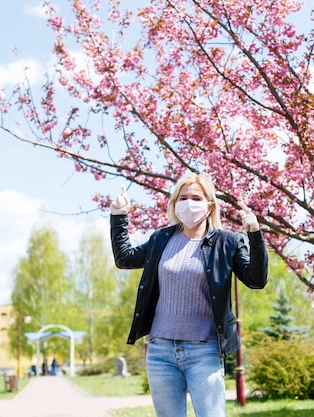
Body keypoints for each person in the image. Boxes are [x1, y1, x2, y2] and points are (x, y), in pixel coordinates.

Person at [110, 173, 269, 417]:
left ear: (209, 205)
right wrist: (119, 217)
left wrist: (254, 233)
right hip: (160, 352)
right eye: (182, 198)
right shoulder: (160, 239)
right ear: (174, 204)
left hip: (204, 351)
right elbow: (125, 258)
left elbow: (256, 280)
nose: (188, 203)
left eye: (196, 197)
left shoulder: (227, 242)